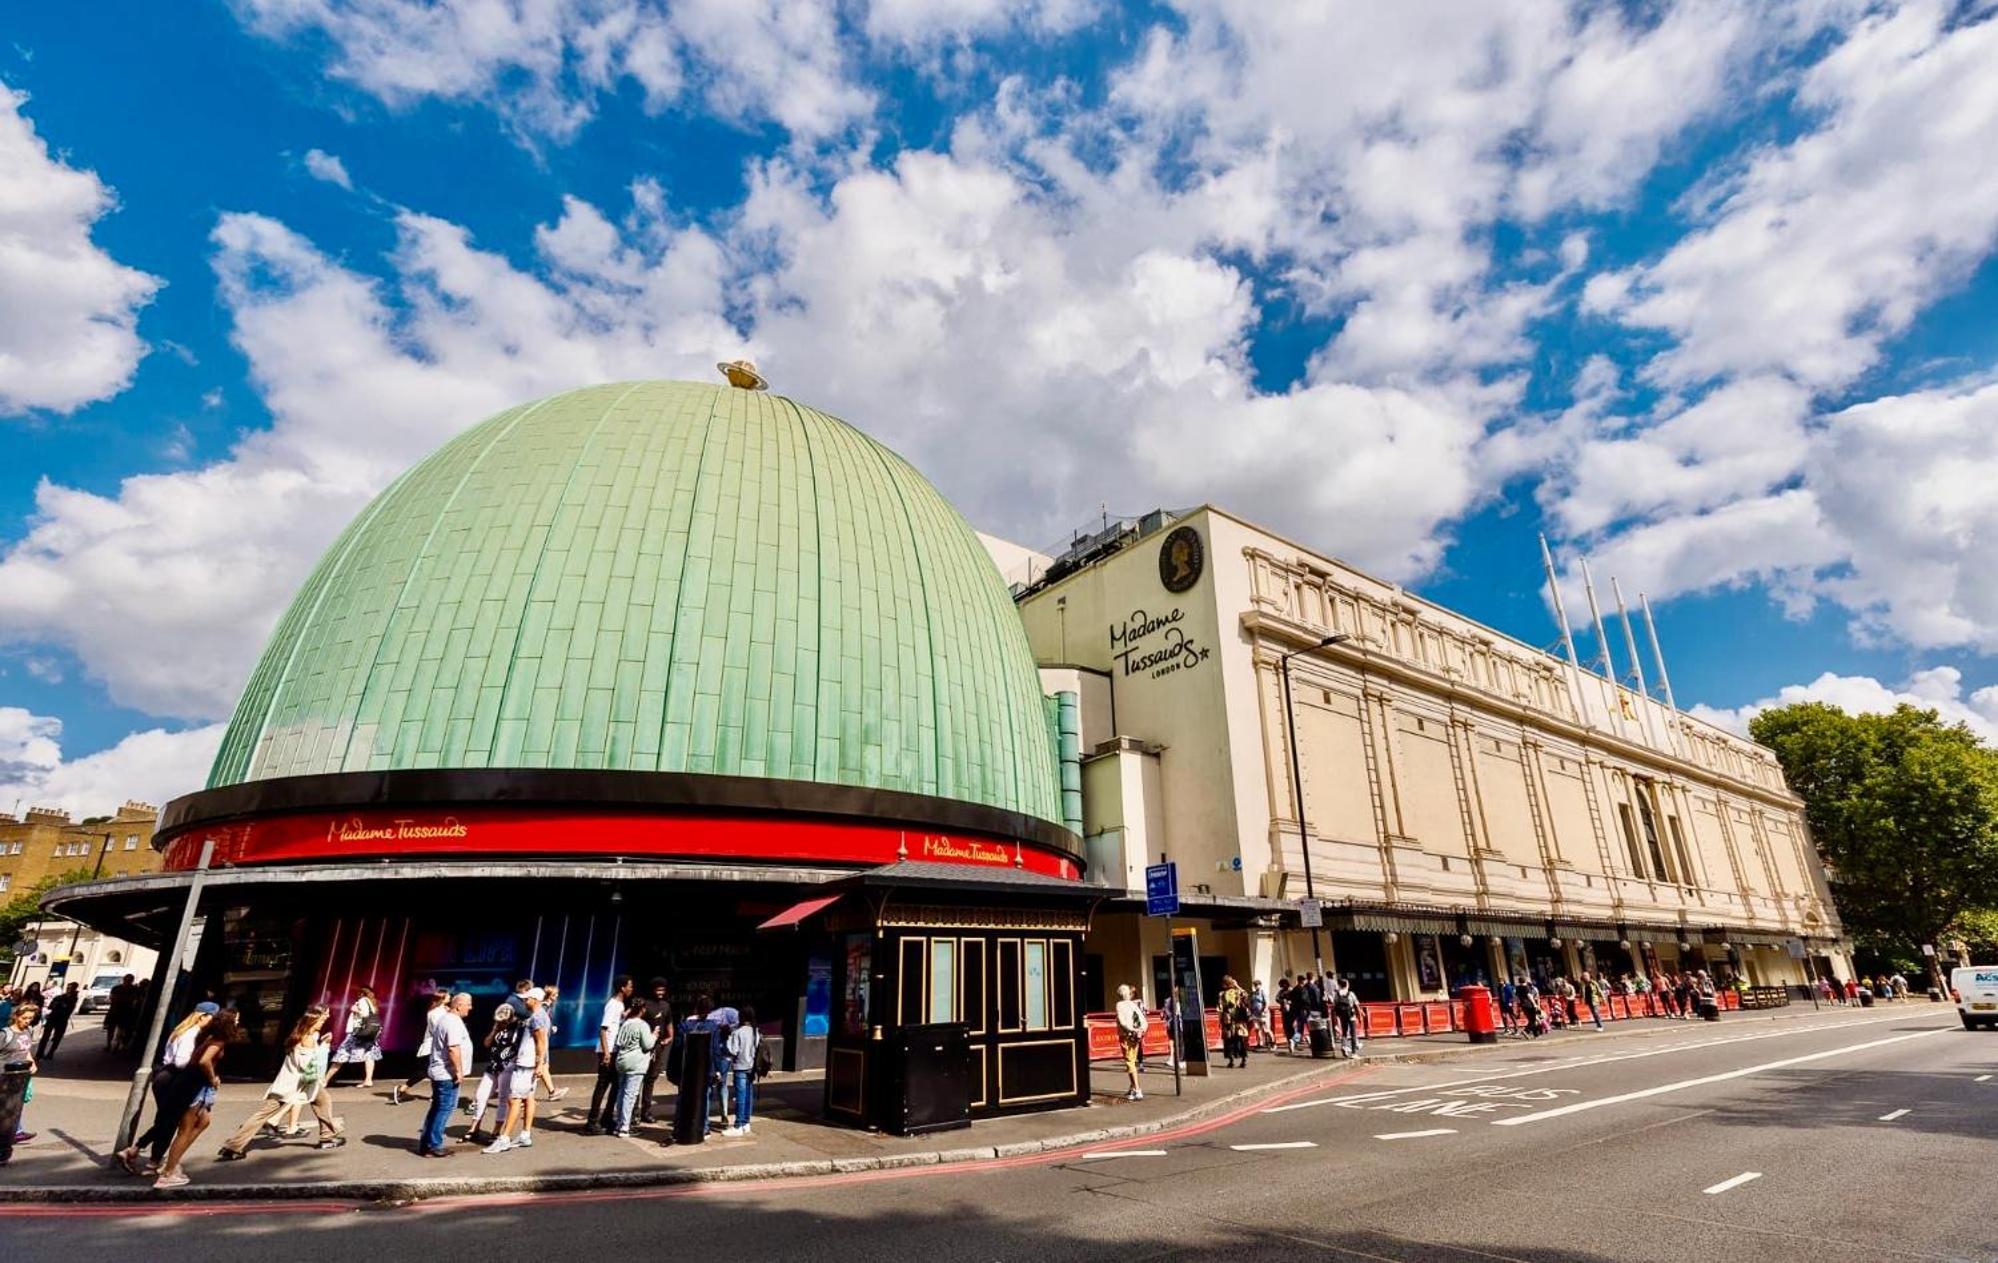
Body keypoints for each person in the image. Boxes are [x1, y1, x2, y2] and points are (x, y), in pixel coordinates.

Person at [217, 1005, 344, 1160]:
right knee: (262, 1115)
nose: (325, 1020)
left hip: (294, 1084)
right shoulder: (308, 1039)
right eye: (322, 1018)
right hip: (295, 1086)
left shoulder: (300, 1034)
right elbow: (309, 1067)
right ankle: (233, 1147)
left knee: (323, 1101)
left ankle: (328, 1137)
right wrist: (325, 1046)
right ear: (313, 1020)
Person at [115, 1002, 217, 1176]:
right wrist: (200, 1066)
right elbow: (180, 1061)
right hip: (173, 1078)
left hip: (165, 1076)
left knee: (167, 1120)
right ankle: (150, 1161)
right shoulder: (191, 1034)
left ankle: (137, 1151)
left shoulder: (181, 1030)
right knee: (169, 1122)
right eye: (212, 1017)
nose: (214, 1021)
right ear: (202, 1017)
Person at [153, 1009, 239, 1188]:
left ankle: (171, 1163)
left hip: (190, 1083)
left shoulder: (208, 1036)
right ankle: (167, 1173)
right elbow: (204, 1061)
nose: (238, 1023)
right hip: (192, 1086)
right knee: (186, 1128)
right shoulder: (218, 1041)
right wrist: (212, 1078)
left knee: (203, 1121)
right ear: (228, 1023)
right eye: (236, 1020)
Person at [484, 987, 549, 1153]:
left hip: (525, 1065)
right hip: (529, 1064)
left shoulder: (536, 1018)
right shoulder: (540, 1015)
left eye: (527, 999)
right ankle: (525, 1135)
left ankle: (504, 1138)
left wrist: (539, 1063)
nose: (524, 1002)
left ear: (534, 1000)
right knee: (528, 1098)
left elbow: (541, 1042)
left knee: (514, 1100)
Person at [417, 993, 472, 1157]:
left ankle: (426, 1144)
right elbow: (453, 1048)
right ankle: (434, 1144)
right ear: (458, 1005)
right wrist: (459, 1071)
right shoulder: (452, 1022)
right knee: (444, 1108)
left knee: (437, 1108)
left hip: (442, 1072)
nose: (470, 1007)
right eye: (468, 1004)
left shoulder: (448, 1019)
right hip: (447, 1073)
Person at [461, 1002, 519, 1143]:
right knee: (481, 1096)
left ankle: (496, 1131)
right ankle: (474, 1128)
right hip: (492, 1066)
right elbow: (487, 1043)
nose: (502, 1021)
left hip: (507, 1066)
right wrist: (495, 1030)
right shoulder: (498, 1028)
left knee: (503, 1100)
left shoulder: (517, 1028)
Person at [586, 974, 634, 1135]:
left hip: (615, 1050)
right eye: (630, 986)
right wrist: (606, 1052)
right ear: (622, 987)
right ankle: (592, 1121)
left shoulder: (620, 1006)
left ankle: (607, 1117)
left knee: (616, 1085)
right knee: (603, 1085)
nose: (631, 989)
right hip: (608, 1051)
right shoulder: (613, 1005)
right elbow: (603, 1029)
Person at [391, 990, 450, 1106]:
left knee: (435, 1071)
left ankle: (436, 1095)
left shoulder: (441, 1011)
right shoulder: (436, 1013)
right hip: (432, 1047)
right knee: (425, 1071)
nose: (450, 997)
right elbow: (438, 1030)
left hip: (436, 1046)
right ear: (442, 998)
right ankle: (402, 1088)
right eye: (448, 996)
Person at [0, 999, 39, 1163]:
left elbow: (26, 1050)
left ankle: (4, 1150)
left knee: (11, 1114)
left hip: (20, 1079)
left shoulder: (27, 1031)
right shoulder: (5, 1034)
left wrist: (32, 1063)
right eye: (25, 1018)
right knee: (3, 1115)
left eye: (30, 1018)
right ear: (16, 1016)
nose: (27, 1021)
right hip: (3, 1078)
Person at [324, 985, 383, 1090]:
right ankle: (368, 1080)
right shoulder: (372, 1003)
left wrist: (355, 1009)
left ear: (361, 993)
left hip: (357, 1033)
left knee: (341, 1056)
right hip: (368, 1034)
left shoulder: (363, 1000)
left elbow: (364, 1014)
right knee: (369, 1055)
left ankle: (325, 1080)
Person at [610, 997, 655, 1136]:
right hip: (636, 1063)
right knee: (630, 1095)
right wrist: (654, 1035)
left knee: (622, 1093)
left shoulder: (625, 1023)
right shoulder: (642, 1025)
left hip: (622, 1061)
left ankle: (619, 1124)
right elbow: (647, 1045)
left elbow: (618, 1042)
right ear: (642, 1009)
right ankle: (624, 1127)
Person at [638, 978, 674, 1125]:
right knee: (638, 1078)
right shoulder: (645, 1005)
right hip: (643, 1047)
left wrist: (670, 1036)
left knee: (651, 1079)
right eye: (658, 990)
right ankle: (633, 1111)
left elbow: (669, 1022)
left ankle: (646, 1112)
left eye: (663, 990)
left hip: (658, 1047)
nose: (660, 993)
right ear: (652, 990)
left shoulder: (666, 1005)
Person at [721, 1006, 760, 1138]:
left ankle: (738, 1125)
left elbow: (733, 1050)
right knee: (748, 1096)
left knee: (740, 1098)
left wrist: (727, 1040)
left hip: (740, 1067)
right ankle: (746, 1123)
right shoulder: (755, 1032)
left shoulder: (738, 1033)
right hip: (751, 1067)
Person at [1114, 984, 1146, 1100]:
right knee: (1132, 1060)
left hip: (1125, 1036)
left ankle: (1137, 1089)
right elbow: (1143, 1020)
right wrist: (1140, 1030)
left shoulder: (1119, 1005)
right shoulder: (1133, 1004)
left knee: (1129, 1062)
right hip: (1136, 1036)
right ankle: (1132, 1089)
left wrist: (1132, 1030)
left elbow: (1122, 1022)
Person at [37, 982, 79, 1061]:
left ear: (74, 989)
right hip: (53, 1018)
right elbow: (51, 1006)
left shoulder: (73, 999)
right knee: (45, 1036)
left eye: (70, 988)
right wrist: (57, 1004)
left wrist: (61, 1005)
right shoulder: (60, 997)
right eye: (68, 987)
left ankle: (50, 1053)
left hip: (62, 1020)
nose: (68, 989)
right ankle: (39, 1053)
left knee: (57, 1038)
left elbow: (68, 1009)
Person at [1217, 976, 1249, 1068]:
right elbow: (1246, 995)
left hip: (1228, 1021)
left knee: (1229, 1041)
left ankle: (1231, 1061)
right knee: (1241, 1040)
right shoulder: (1238, 992)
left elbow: (1220, 1008)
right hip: (1239, 1021)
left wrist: (1220, 1021)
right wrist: (1237, 986)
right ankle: (1243, 1059)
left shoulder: (1222, 994)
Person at [1329, 976, 1361, 1057]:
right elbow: (1356, 1005)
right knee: (1353, 1033)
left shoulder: (1337, 995)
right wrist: (1359, 1016)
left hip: (1342, 1016)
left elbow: (1334, 1006)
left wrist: (1336, 1019)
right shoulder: (1351, 994)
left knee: (1344, 1032)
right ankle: (1354, 1053)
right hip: (1351, 1015)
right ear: (1346, 984)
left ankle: (1344, 1046)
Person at [1249, 979, 1271, 1052]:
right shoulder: (1253, 994)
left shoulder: (1262, 993)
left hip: (1262, 1014)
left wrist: (1265, 1009)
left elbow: (1267, 1002)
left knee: (1266, 1030)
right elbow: (1250, 1002)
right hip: (1255, 1014)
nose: (1256, 986)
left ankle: (1271, 1042)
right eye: (1255, 985)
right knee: (1257, 1028)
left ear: (1260, 985)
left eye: (1257, 984)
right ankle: (1260, 1043)